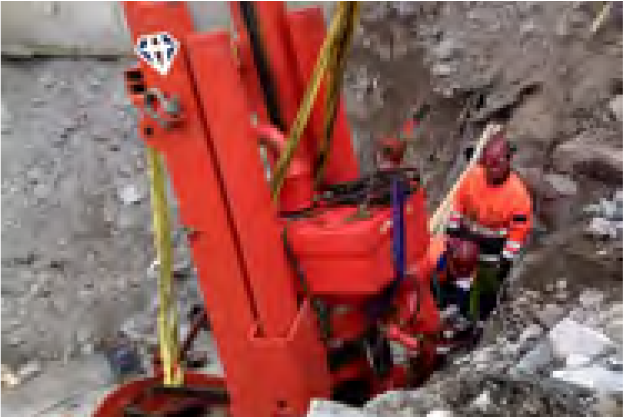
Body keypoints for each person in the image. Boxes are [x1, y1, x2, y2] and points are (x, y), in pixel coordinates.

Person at [446, 132, 533, 320]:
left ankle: (478, 318)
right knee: (456, 277)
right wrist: (452, 231)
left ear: (507, 162)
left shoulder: (518, 196)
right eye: (488, 166)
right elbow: (458, 204)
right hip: (466, 239)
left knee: (486, 286)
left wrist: (506, 259)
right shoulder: (474, 176)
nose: (491, 171)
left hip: (493, 247)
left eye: (495, 166)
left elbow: (518, 232)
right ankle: (455, 308)